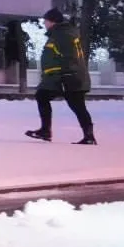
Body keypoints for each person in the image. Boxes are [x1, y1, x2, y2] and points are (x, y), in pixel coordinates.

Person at [25, 8, 95, 145]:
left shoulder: (63, 35)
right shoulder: (59, 34)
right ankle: (46, 130)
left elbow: (71, 57)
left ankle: (88, 136)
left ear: (52, 21)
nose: (44, 23)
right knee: (45, 96)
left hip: (68, 77)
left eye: (46, 21)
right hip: (61, 77)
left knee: (76, 105)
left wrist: (66, 75)